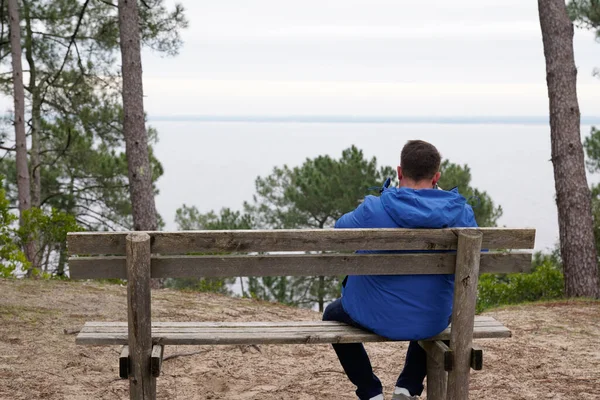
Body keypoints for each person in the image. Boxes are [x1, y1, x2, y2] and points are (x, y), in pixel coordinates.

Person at [323, 140, 478, 400]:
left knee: (331, 313)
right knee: (437, 313)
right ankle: (407, 386)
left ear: (399, 172)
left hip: (372, 316)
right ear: (436, 176)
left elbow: (340, 230)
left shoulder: (373, 209)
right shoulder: (461, 213)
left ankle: (371, 392)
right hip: (433, 319)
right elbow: (478, 260)